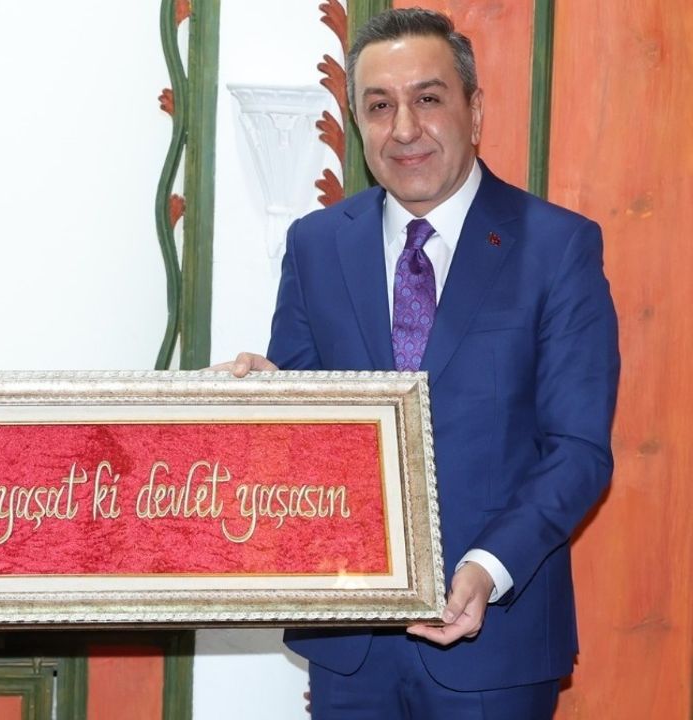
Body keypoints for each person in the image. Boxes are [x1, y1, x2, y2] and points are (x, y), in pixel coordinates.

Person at [217, 8, 619, 718]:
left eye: (428, 98)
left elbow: (578, 451)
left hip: (495, 643)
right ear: (359, 124)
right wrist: (266, 407)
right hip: (348, 648)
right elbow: (306, 439)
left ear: (475, 110)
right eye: (379, 106)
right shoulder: (316, 246)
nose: (404, 129)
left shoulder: (558, 248)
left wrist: (488, 568)